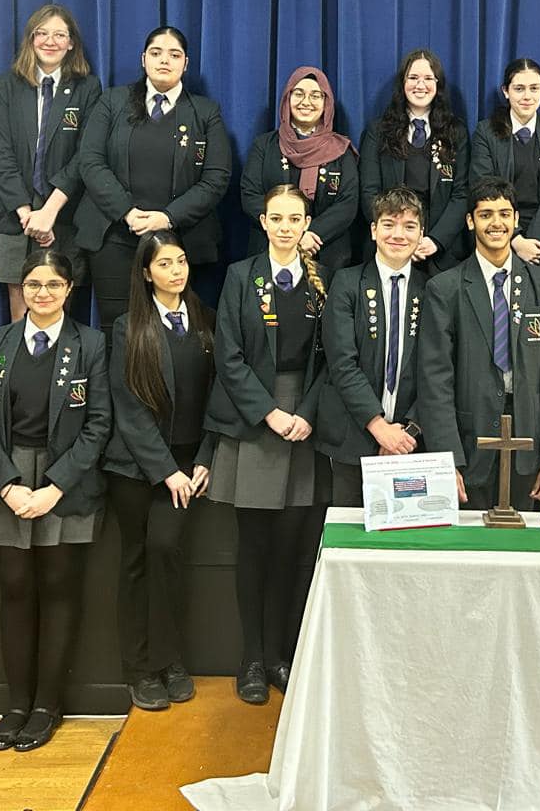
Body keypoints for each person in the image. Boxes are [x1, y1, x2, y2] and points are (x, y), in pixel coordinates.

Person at [0, 250, 110, 752]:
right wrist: (7, 485)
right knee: (14, 589)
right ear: (21, 289)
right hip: (8, 479)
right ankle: (16, 704)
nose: (42, 293)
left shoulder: (90, 344)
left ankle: (48, 705)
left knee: (59, 588)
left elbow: (99, 425)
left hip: (61, 481)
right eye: (32, 284)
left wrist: (53, 486)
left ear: (69, 289)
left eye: (52, 284)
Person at [205, 186, 333, 704]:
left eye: (295, 218)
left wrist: (306, 413)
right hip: (257, 416)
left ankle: (283, 654)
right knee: (254, 548)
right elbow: (229, 356)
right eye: (276, 218)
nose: (285, 226)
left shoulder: (323, 283)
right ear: (262, 221)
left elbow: (331, 360)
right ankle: (252, 658)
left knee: (291, 549)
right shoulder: (241, 277)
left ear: (307, 224)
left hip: (306, 417)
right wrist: (271, 412)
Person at [104, 230, 214, 712]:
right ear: (147, 273)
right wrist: (166, 470)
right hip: (137, 467)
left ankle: (170, 660)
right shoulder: (128, 327)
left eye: (182, 261)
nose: (177, 271)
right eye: (165, 264)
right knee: (136, 562)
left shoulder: (205, 321)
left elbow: (220, 397)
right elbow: (128, 409)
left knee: (166, 550)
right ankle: (139, 668)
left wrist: (205, 456)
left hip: (190, 461)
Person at [419, 178, 540, 511]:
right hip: (468, 443)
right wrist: (447, 460)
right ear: (470, 221)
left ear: (517, 221)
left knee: (522, 553)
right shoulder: (444, 289)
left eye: (505, 214)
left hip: (528, 446)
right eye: (486, 214)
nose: (496, 223)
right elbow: (435, 383)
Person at [75, 26, 233, 334]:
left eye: (174, 55)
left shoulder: (205, 111)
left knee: (175, 333)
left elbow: (217, 177)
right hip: (115, 235)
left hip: (180, 240)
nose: (165, 60)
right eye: (156, 53)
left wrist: (167, 218)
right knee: (118, 330)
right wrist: (127, 212)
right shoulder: (112, 101)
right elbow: (90, 161)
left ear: (185, 63)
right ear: (143, 59)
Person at [0, 4, 103, 320]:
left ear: (71, 43)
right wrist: (29, 217)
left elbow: (86, 156)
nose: (50, 41)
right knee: (20, 311)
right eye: (42, 33)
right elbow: (0, 154)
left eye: (59, 34)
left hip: (64, 216)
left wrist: (49, 212)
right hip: (15, 215)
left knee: (56, 308)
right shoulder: (6, 86)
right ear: (30, 39)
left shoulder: (87, 88)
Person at [318, 188, 428, 505]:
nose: (398, 234)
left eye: (409, 226)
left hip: (411, 440)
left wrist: (405, 433)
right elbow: (342, 363)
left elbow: (437, 369)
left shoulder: (434, 289)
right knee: (351, 539)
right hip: (353, 435)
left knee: (403, 545)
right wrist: (379, 427)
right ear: (373, 230)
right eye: (389, 224)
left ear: (421, 234)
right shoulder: (346, 283)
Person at [358, 48, 470, 272]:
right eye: (413, 78)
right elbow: (369, 191)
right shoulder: (378, 130)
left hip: (441, 253)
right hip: (390, 246)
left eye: (428, 78)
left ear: (438, 85)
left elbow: (462, 193)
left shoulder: (456, 131)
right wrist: (397, 236)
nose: (420, 85)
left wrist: (435, 240)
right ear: (402, 83)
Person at [239, 67, 359, 271]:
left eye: (315, 96)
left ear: (326, 103)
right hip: (269, 251)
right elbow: (250, 195)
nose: (306, 102)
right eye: (299, 94)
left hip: (326, 253)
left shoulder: (341, 150)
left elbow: (347, 203)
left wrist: (311, 234)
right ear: (287, 99)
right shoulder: (265, 145)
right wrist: (287, 231)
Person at [470, 58, 540, 267]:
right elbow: (484, 187)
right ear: (506, 92)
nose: (527, 96)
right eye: (519, 88)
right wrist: (516, 240)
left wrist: (532, 243)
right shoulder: (486, 132)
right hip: (500, 232)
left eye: (534, 88)